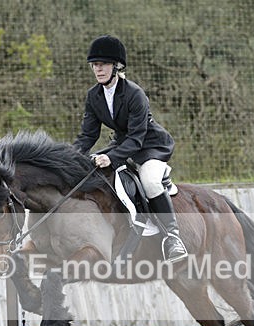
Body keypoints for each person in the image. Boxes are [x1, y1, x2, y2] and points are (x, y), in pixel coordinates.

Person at [73, 35, 188, 263]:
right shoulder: (93, 96)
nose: (98, 69)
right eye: (95, 65)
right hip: (123, 145)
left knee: (150, 181)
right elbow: (88, 135)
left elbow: (137, 138)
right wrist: (70, 157)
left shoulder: (134, 94)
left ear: (116, 66)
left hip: (150, 147)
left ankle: (173, 238)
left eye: (103, 64)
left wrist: (110, 157)